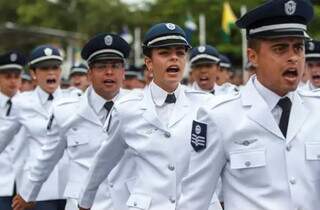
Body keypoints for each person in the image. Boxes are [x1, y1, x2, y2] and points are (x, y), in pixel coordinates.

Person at [177, 0, 319, 210]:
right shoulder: (220, 116)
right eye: (280, 49)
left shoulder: (316, 110)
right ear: (253, 57)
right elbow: (195, 200)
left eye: (298, 48)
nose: (293, 58)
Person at [77, 23, 221, 210]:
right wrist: (85, 201)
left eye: (180, 52)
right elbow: (104, 160)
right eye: (164, 53)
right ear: (149, 63)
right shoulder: (127, 109)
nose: (174, 58)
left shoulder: (206, 105)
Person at [11, 33, 135, 210]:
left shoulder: (139, 107)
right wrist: (28, 192)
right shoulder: (66, 111)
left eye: (115, 66)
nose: (109, 72)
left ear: (123, 72)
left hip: (125, 203)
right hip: (79, 204)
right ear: (89, 73)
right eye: (101, 67)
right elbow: (48, 156)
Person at [0, 45, 80, 210]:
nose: (51, 73)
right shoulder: (21, 103)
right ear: (34, 74)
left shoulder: (75, 98)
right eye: (44, 68)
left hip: (71, 186)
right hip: (38, 190)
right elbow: (2, 139)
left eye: (55, 67)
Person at [0, 51, 26, 210]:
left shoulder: (30, 105)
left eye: (16, 77)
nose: (13, 81)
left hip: (24, 186)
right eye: (8, 76)